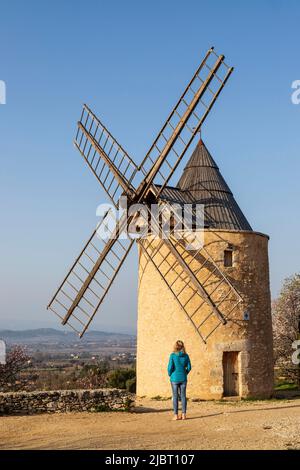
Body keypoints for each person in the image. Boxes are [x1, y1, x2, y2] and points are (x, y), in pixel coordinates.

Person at [167, 340, 191, 421]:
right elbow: (189, 367)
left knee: (175, 396)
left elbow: (170, 367)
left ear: (175, 346)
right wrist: (185, 373)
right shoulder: (186, 356)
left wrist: (170, 374)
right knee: (183, 396)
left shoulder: (173, 355)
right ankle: (184, 415)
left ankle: (176, 415)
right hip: (183, 378)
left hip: (174, 378)